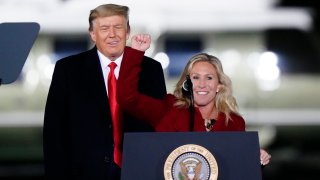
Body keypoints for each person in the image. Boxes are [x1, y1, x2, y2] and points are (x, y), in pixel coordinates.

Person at [43, 5, 166, 180]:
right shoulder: (68, 70)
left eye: (118, 27)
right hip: (84, 174)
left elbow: (159, 125)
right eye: (104, 28)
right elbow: (54, 132)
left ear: (128, 31)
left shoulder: (151, 69)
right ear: (92, 34)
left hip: (139, 171)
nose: (112, 34)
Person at [117, 34, 271, 166]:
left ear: (219, 85)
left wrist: (256, 159)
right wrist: (136, 53)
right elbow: (126, 98)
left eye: (209, 78)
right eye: (195, 78)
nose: (202, 84)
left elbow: (237, 167)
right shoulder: (168, 108)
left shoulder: (234, 122)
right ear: (186, 83)